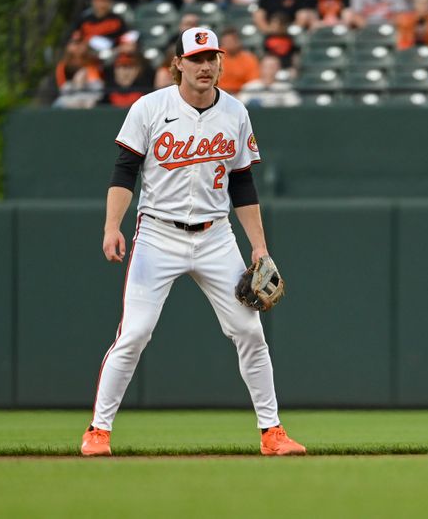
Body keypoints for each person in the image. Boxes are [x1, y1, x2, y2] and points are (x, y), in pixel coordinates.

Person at [80, 27, 306, 457]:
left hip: (216, 236)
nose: (206, 66)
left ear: (221, 63)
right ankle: (98, 430)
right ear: (178, 63)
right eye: (196, 58)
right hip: (157, 234)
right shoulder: (149, 108)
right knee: (135, 334)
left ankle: (272, 432)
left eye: (212, 58)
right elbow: (125, 170)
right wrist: (113, 225)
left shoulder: (236, 112)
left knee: (249, 332)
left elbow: (242, 183)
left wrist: (259, 246)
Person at [53, 31, 105, 109]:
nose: (78, 46)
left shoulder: (93, 61)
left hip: (90, 95)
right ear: (68, 46)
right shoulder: (63, 65)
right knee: (58, 104)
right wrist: (76, 83)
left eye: (80, 42)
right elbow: (63, 89)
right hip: (71, 96)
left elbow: (98, 87)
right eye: (75, 43)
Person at [216, 28, 261, 92]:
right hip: (218, 93)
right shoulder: (215, 57)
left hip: (241, 94)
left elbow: (253, 82)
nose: (227, 44)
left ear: (238, 42)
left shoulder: (249, 59)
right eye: (225, 42)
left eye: (230, 41)